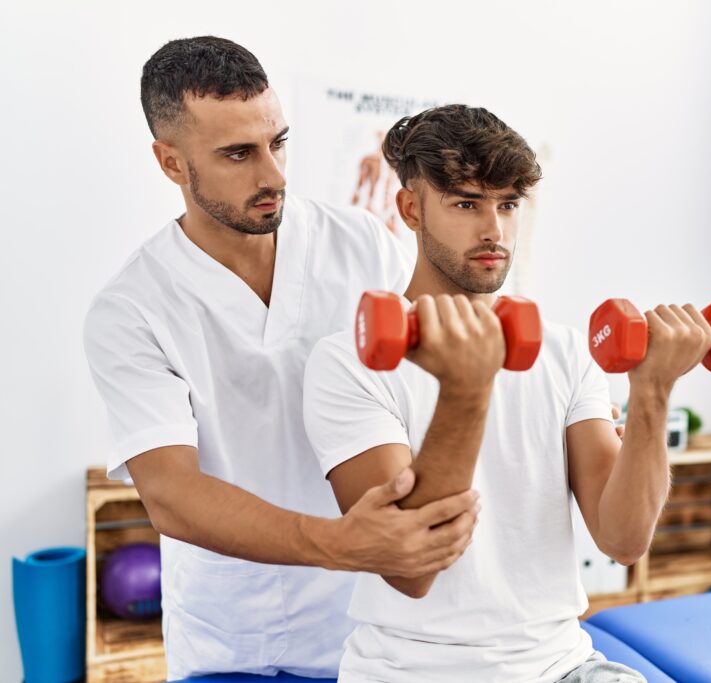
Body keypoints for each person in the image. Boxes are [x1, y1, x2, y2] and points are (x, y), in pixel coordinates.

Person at [82, 37, 478, 680]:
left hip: (372, 627)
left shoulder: (359, 245)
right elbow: (171, 496)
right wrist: (336, 544)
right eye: (238, 153)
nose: (273, 175)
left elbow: (433, 377)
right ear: (170, 162)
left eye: (278, 142)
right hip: (234, 636)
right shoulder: (130, 309)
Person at [303, 104, 711, 682]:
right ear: (410, 208)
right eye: (467, 203)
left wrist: (652, 390)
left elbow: (623, 540)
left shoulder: (567, 352)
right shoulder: (348, 361)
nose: (493, 229)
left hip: (560, 666)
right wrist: (467, 388)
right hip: (412, 670)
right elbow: (410, 567)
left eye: (509, 204)